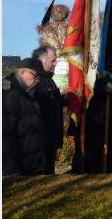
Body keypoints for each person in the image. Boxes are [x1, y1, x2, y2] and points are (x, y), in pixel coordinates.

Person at [3, 58, 47, 176]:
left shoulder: (29, 91)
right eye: (35, 76)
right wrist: (11, 170)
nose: (37, 80)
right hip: (18, 167)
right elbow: (6, 135)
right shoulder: (9, 93)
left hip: (33, 163)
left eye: (39, 78)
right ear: (22, 73)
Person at [32, 45, 66, 174]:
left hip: (49, 139)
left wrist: (69, 98)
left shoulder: (48, 79)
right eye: (53, 60)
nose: (56, 63)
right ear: (42, 61)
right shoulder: (36, 81)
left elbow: (54, 102)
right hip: (41, 141)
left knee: (48, 172)